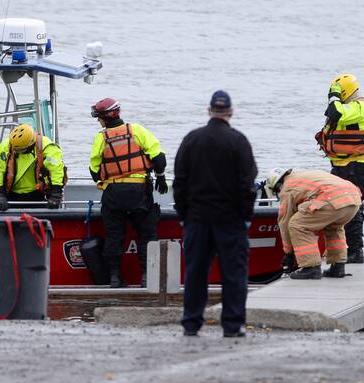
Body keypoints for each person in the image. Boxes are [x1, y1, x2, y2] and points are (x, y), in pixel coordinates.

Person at [173, 90, 257, 338]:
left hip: (197, 218)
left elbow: (179, 182)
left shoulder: (191, 140)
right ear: (230, 112)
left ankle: (191, 323)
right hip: (230, 219)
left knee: (195, 272)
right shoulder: (238, 141)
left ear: (209, 111)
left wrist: (184, 215)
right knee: (234, 273)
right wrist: (245, 216)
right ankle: (232, 325)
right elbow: (247, 184)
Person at [88, 97, 168, 288]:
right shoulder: (137, 130)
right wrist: (161, 177)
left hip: (113, 193)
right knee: (147, 234)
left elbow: (94, 171)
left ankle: (115, 278)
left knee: (114, 236)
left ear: (103, 119)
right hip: (139, 192)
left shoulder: (101, 138)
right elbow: (158, 157)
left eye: (98, 117)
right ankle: (147, 277)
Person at [314, 72, 364, 264]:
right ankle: (348, 249)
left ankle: (355, 251)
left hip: (355, 166)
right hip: (344, 166)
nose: (335, 97)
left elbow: (334, 112)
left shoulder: (361, 107)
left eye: (338, 92)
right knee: (346, 206)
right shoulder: (350, 107)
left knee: (352, 206)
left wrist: (333, 97)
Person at [266, 168, 361, 279]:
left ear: (276, 186)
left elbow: (284, 221)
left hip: (331, 199)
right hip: (353, 200)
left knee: (297, 225)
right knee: (334, 227)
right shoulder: (302, 176)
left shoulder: (287, 188)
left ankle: (311, 268)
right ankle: (338, 267)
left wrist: (289, 252)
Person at [0, 123, 66, 211]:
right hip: (11, 194)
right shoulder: (4, 147)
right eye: (16, 150)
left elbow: (56, 169)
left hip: (38, 194)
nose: (18, 152)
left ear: (30, 144)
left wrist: (56, 194)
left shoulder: (47, 148)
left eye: (21, 150)